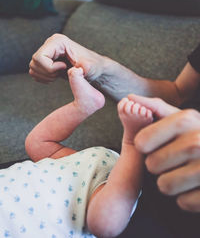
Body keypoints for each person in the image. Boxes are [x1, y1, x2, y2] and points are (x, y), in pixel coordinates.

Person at [29, 34, 200, 216]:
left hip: (143, 205)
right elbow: (178, 94)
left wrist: (132, 142)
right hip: (124, 173)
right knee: (34, 144)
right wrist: (101, 67)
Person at [0, 66, 154, 238]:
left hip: (80, 179)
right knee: (103, 224)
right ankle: (127, 141)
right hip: (93, 193)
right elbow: (106, 228)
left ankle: (88, 108)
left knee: (35, 143)